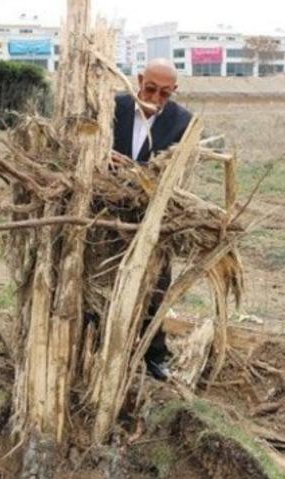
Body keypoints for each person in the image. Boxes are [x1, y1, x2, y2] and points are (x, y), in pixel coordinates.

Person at [111, 58, 193, 381]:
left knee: (155, 285)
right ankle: (102, 347)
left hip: (153, 219)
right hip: (106, 215)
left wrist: (133, 172)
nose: (156, 100)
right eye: (150, 89)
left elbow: (175, 175)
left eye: (165, 93)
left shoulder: (182, 121)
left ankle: (154, 355)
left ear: (174, 91)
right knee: (103, 281)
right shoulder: (113, 108)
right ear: (139, 79)